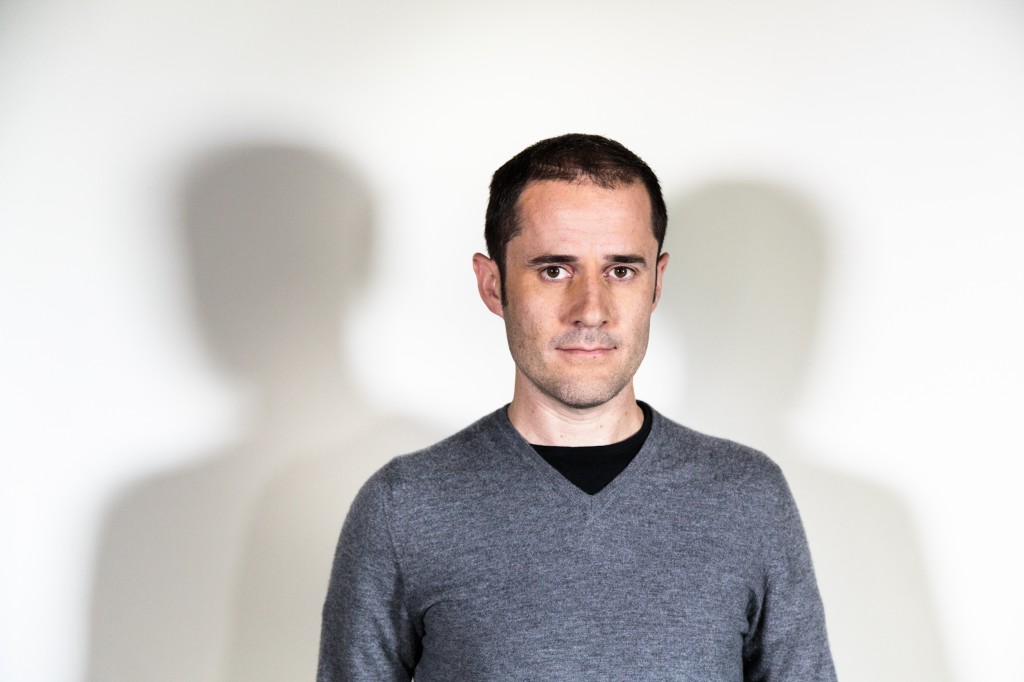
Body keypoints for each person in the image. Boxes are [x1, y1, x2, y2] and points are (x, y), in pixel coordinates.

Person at [317, 134, 837, 681]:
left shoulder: (748, 498)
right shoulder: (403, 507)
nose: (591, 310)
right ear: (493, 285)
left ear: (656, 283)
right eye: (554, 270)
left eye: (621, 270)